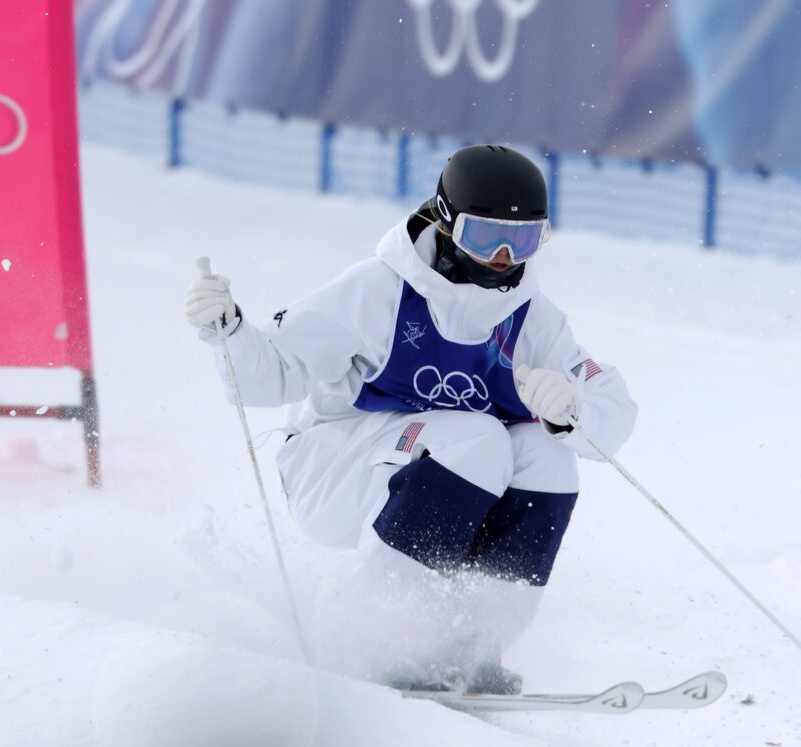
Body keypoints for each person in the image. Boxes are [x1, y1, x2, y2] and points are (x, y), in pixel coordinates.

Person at [184, 144, 636, 694]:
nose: (501, 257)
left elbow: (612, 410)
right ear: (447, 223)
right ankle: (378, 635)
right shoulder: (379, 290)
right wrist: (229, 331)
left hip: (433, 470)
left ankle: (472, 642)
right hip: (333, 467)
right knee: (479, 438)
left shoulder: (533, 323)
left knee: (546, 451)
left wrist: (574, 411)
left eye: (523, 241)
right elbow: (268, 375)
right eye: (483, 235)